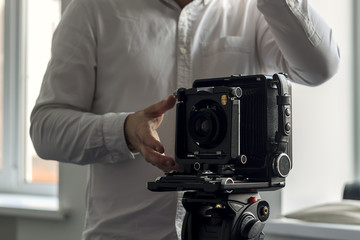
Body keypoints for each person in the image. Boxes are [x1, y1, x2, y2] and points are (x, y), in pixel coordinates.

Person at [30, 0, 340, 239]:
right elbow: (45, 129)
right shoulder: (93, 8)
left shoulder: (253, 10)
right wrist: (124, 131)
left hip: (233, 229)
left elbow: (319, 68)